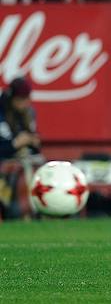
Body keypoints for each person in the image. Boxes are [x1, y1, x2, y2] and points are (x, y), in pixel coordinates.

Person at [0, 77, 42, 219]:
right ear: (12, 98)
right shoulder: (1, 113)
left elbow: (35, 148)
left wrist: (33, 142)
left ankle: (41, 210)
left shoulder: (29, 113)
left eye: (26, 99)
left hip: (24, 161)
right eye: (21, 99)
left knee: (41, 168)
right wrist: (15, 144)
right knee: (14, 170)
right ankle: (15, 212)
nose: (25, 103)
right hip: (5, 166)